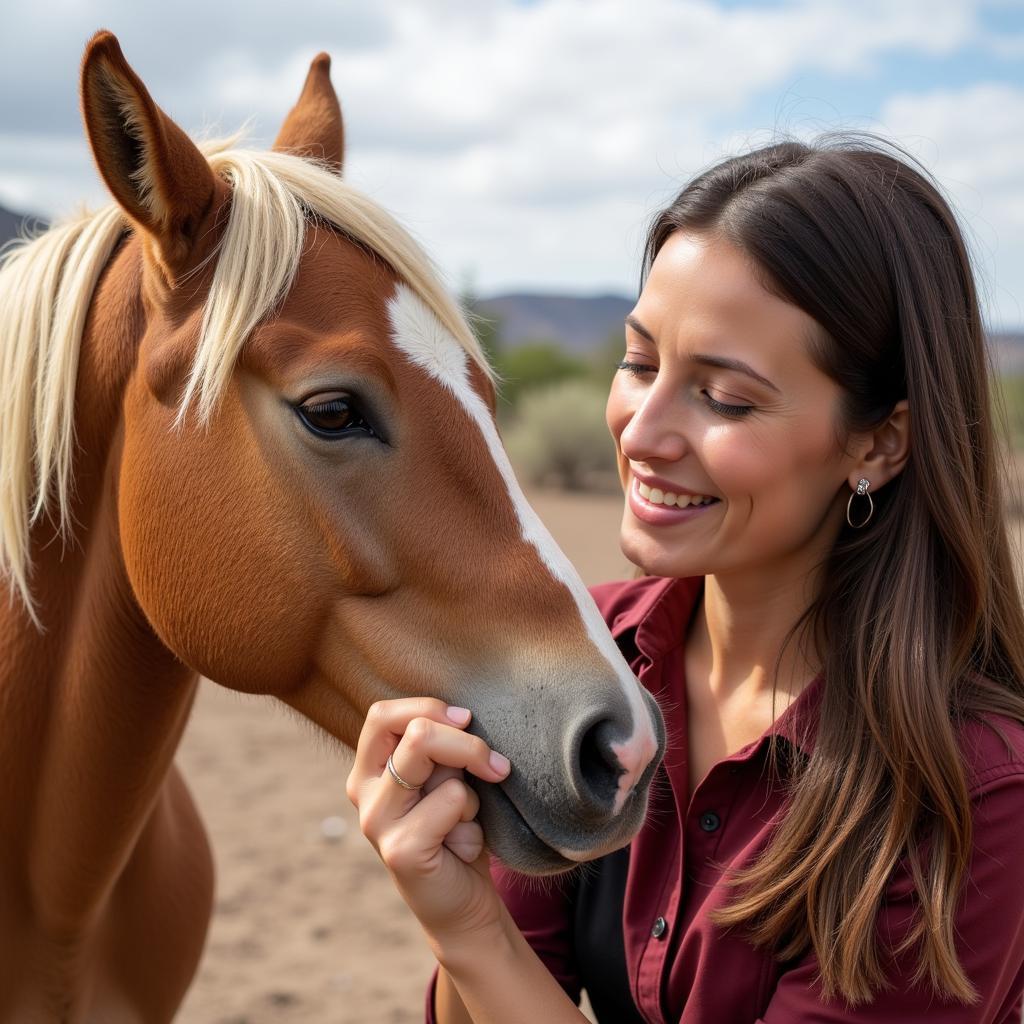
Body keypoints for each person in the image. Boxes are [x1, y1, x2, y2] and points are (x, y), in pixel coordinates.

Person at [345, 137, 1024, 1022]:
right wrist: (470, 919)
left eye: (725, 398)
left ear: (878, 442)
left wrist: (470, 930)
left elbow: (497, 967)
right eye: (638, 363)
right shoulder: (585, 661)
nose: (640, 431)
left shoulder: (972, 796)